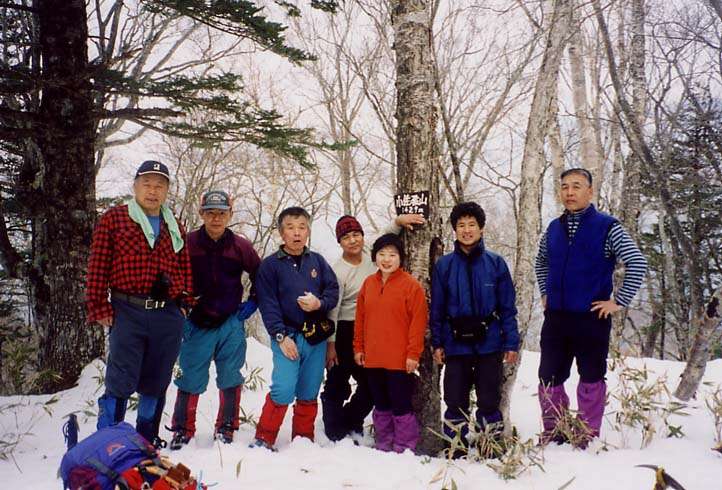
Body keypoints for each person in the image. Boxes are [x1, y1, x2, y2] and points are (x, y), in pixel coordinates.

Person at [535, 168, 647, 446]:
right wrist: (545, 292)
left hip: (591, 317)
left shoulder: (607, 227)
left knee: (591, 376)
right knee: (548, 377)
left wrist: (618, 301)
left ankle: (586, 435)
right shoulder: (554, 228)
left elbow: (637, 262)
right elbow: (541, 262)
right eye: (564, 187)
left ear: (590, 191)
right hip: (556, 318)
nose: (569, 192)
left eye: (576, 186)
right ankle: (554, 431)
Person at [85, 160, 194, 447]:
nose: (152, 191)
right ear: (135, 186)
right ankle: (109, 441)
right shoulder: (115, 219)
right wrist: (98, 305)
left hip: (166, 313)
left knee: (157, 380)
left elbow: (184, 265)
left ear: (167, 191)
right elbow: (98, 264)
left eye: (159, 186)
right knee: (121, 378)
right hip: (127, 309)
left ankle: (145, 439)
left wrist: (184, 302)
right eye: (147, 184)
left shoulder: (174, 224)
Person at [169, 190, 261, 449]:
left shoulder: (240, 246)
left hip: (231, 320)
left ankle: (226, 427)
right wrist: (179, 304)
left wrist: (253, 301)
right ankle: (182, 429)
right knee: (190, 375)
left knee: (231, 374)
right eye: (210, 213)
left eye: (221, 213)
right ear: (202, 214)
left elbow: (261, 273)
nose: (216, 218)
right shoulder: (188, 243)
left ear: (230, 214)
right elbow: (171, 272)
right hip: (197, 320)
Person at [322, 213, 425, 442]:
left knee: (371, 385)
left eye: (356, 234)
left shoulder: (373, 255)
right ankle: (333, 427)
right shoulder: (338, 271)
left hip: (374, 327)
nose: (353, 240)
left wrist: (398, 222)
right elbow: (333, 310)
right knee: (338, 379)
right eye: (346, 237)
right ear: (340, 242)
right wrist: (331, 344)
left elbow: (385, 239)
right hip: (344, 328)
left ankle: (351, 419)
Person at [430, 202, 520, 458]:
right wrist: (437, 343)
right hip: (455, 343)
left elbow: (507, 307)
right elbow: (437, 308)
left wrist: (511, 342)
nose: (467, 230)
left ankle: (490, 448)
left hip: (489, 342)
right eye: (461, 225)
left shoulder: (495, 263)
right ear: (455, 230)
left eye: (472, 225)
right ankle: (455, 449)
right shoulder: (444, 266)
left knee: (489, 399)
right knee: (455, 400)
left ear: (481, 228)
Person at [251, 206, 340, 450]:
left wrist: (319, 303)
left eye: (302, 227)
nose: (297, 233)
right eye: (290, 228)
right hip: (287, 336)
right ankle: (264, 437)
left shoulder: (317, 261)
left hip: (315, 337)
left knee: (309, 390)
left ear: (308, 231)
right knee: (283, 387)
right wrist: (280, 336)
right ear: (282, 233)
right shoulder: (270, 265)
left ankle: (303, 440)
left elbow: (333, 290)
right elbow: (268, 303)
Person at [353, 234, 428, 453]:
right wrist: (358, 348)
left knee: (401, 405)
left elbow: (418, 323)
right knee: (381, 403)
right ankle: (383, 444)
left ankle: (404, 448)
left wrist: (413, 354)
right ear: (375, 257)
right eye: (382, 254)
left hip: (399, 359)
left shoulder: (411, 286)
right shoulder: (369, 284)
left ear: (400, 258)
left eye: (392, 255)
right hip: (373, 357)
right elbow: (360, 318)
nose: (386, 259)